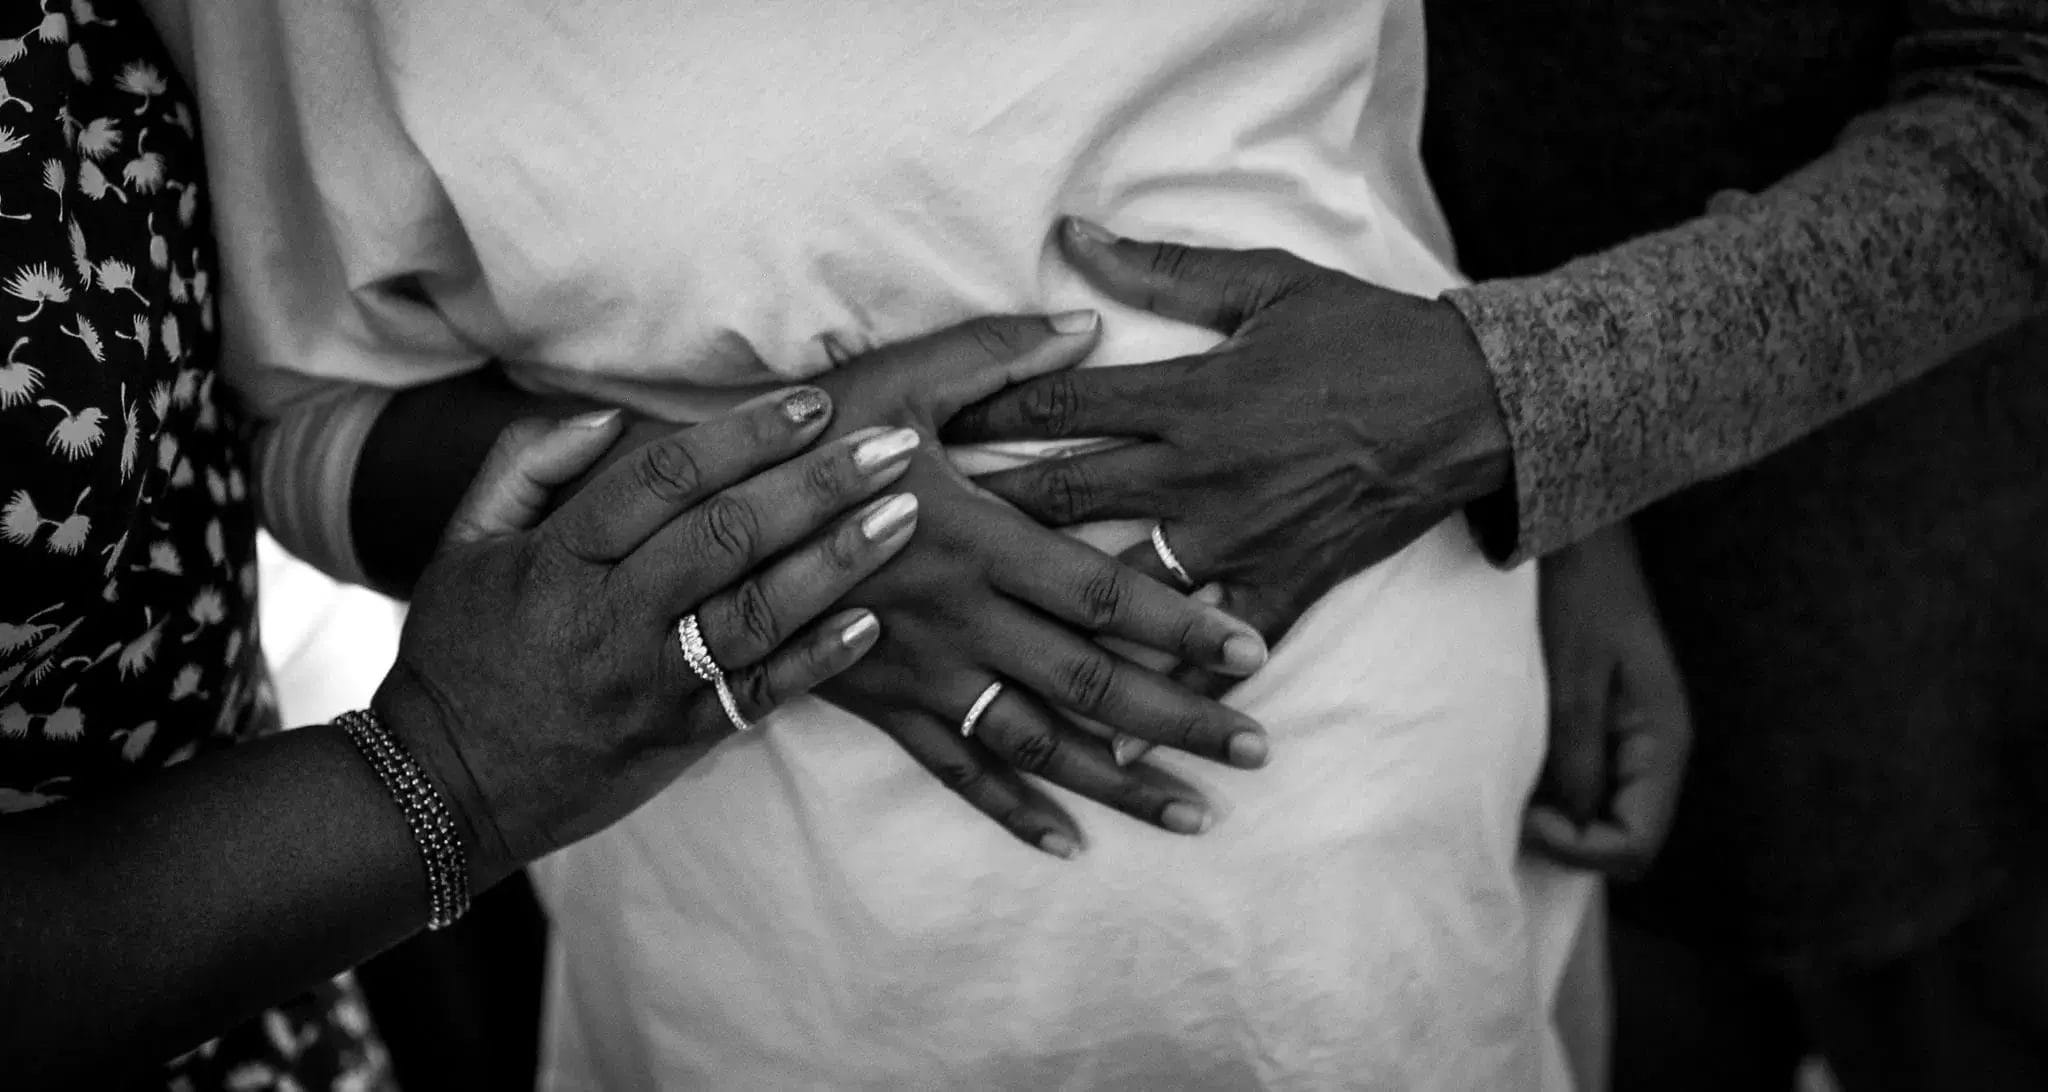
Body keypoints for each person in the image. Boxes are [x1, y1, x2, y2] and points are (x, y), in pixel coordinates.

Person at [171, 0, 1613, 1087]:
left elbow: (1473, 132)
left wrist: (1565, 479)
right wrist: (776, 523)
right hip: (792, 942)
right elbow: (295, 422)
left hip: (1384, 851)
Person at [5, 6, 1278, 1085]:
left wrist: (1474, 367)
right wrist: (462, 757)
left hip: (1391, 868)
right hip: (687, 931)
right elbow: (295, 409)